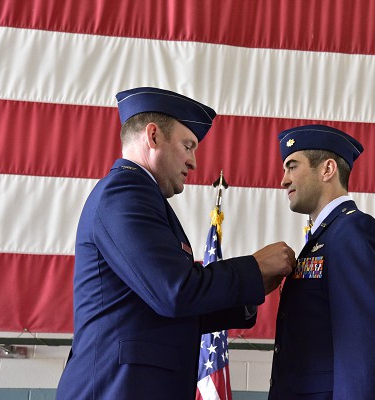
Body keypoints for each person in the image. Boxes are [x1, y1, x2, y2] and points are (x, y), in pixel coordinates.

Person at [56, 87, 295, 399]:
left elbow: (166, 306)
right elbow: (174, 292)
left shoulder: (141, 196)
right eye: (188, 145)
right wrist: (253, 267)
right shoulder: (125, 192)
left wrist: (250, 289)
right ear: (153, 136)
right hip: (116, 388)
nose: (193, 161)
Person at [268, 124, 375, 399]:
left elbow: (364, 350)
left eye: (292, 166)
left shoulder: (353, 233)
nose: (283, 180)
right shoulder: (329, 236)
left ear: (327, 170)